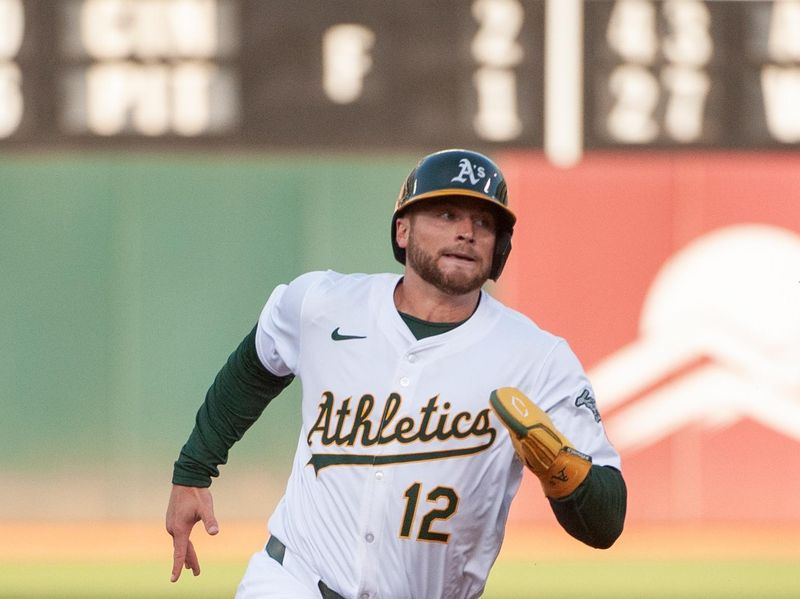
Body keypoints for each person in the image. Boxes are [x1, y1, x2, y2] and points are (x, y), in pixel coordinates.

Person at [166, 149, 627, 599]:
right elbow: (255, 367)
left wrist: (565, 473)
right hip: (293, 578)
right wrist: (193, 471)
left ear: (500, 246)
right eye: (446, 214)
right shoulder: (322, 305)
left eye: (484, 222)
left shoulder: (538, 358)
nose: (467, 231)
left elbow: (606, 523)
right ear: (402, 230)